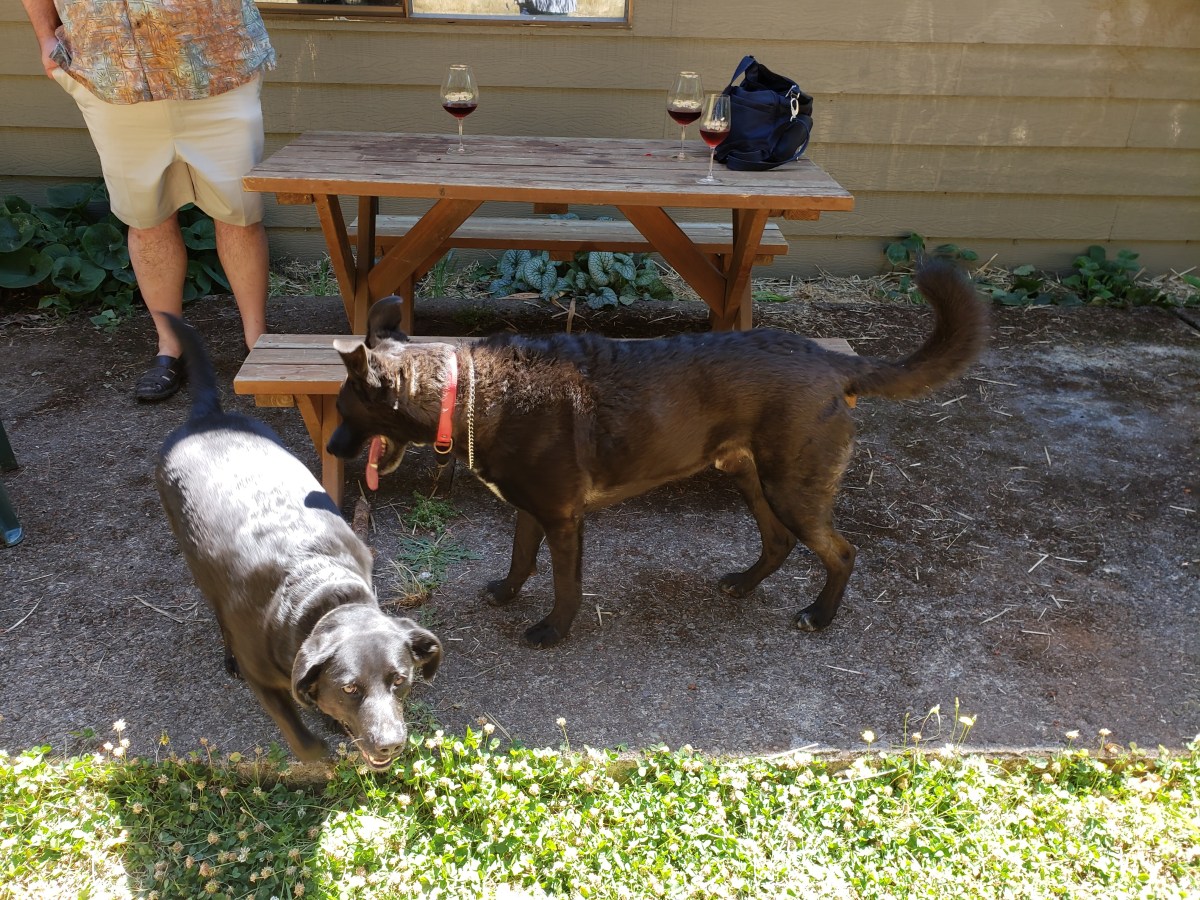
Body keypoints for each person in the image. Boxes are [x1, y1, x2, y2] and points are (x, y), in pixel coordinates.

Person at [20, 0, 276, 401]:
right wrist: (45, 37)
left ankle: (257, 340)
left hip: (216, 60)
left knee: (239, 212)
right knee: (146, 217)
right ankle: (170, 346)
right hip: (109, 70)